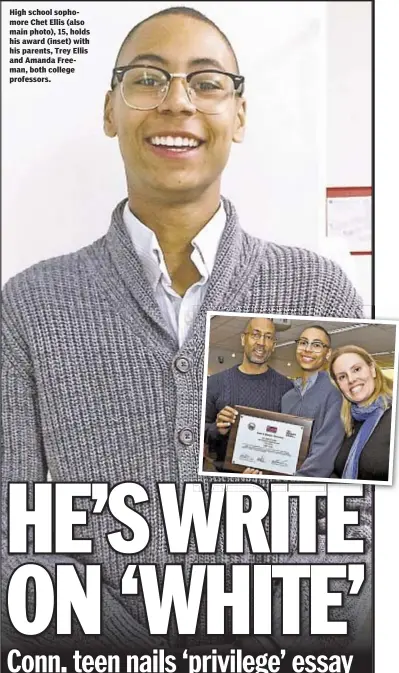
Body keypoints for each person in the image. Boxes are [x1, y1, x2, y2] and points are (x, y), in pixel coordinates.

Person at [2, 5, 369, 654]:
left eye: (206, 82)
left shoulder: (320, 294)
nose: (177, 100)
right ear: (110, 109)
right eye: (147, 78)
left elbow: (348, 523)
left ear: (240, 114)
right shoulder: (29, 306)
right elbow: (12, 528)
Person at [204, 317, 293, 464]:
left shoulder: (286, 388)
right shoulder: (215, 382)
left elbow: (291, 437)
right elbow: (199, 429)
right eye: (255, 334)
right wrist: (217, 429)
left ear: (274, 345)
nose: (261, 343)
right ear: (243, 339)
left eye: (268, 337)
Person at [281, 325, 345, 477]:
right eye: (303, 342)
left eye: (316, 345)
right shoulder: (287, 397)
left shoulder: (336, 392)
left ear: (327, 353)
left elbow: (325, 453)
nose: (307, 349)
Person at [329, 345, 393, 481]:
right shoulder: (346, 422)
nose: (351, 379)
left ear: (372, 370)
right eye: (342, 377)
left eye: (356, 369)